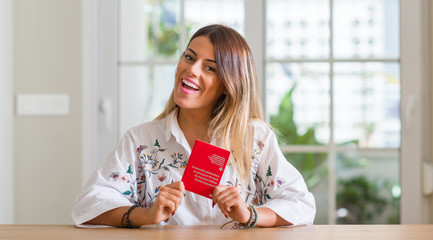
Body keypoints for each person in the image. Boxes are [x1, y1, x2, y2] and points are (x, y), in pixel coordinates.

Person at [72, 24, 316, 228]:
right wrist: (146, 215)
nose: (191, 69)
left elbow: (301, 204)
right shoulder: (140, 139)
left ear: (229, 84)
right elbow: (90, 203)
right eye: (189, 57)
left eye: (209, 67)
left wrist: (249, 214)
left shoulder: (255, 138)